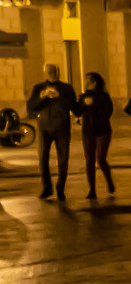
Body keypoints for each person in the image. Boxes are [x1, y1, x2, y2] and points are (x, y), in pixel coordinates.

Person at [27, 63, 77, 202]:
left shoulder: (66, 88)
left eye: (53, 70)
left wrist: (58, 96)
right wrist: (43, 97)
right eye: (49, 71)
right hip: (44, 127)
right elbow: (31, 106)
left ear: (57, 71)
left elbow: (73, 105)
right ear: (45, 72)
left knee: (63, 159)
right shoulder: (38, 88)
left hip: (62, 127)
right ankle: (47, 188)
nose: (52, 73)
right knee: (43, 158)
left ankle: (60, 187)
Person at [77, 71, 116, 198]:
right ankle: (92, 190)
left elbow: (107, 113)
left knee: (100, 158)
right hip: (87, 131)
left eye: (89, 80)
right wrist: (82, 105)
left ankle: (109, 181)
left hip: (102, 130)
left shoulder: (104, 96)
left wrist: (92, 105)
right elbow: (77, 111)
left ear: (95, 82)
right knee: (89, 160)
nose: (86, 82)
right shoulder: (83, 96)